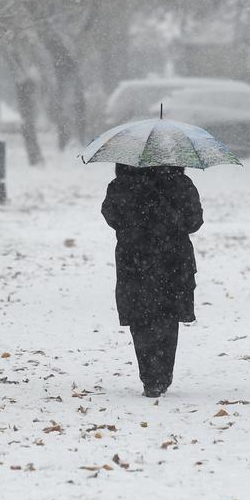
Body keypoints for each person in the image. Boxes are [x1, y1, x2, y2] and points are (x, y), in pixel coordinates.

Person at [101, 163, 204, 397]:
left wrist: (137, 223)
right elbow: (194, 222)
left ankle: (149, 377)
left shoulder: (121, 186)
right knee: (168, 317)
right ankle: (163, 374)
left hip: (135, 259)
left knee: (141, 318)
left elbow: (111, 216)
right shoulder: (181, 184)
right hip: (174, 259)